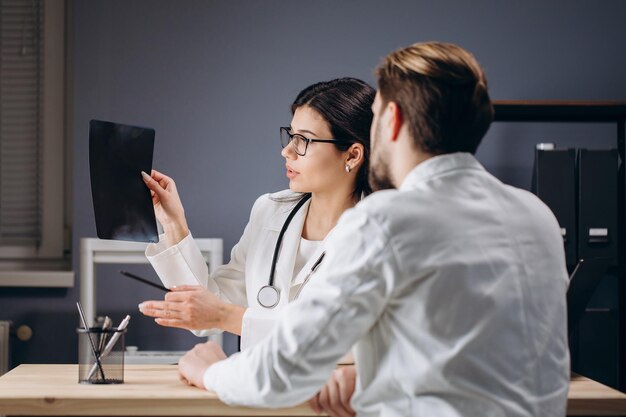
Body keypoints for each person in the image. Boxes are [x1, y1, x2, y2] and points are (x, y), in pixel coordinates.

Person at [177, 42, 571, 417]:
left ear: (393, 121)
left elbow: (281, 372)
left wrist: (209, 370)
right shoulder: (537, 217)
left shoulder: (385, 220)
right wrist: (370, 375)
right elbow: (477, 356)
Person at [138, 78, 375, 415]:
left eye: (304, 141)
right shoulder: (270, 211)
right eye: (290, 136)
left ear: (352, 154)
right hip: (255, 400)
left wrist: (224, 317)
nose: (287, 151)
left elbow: (336, 340)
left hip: (326, 407)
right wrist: (175, 225)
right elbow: (208, 309)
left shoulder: (381, 234)